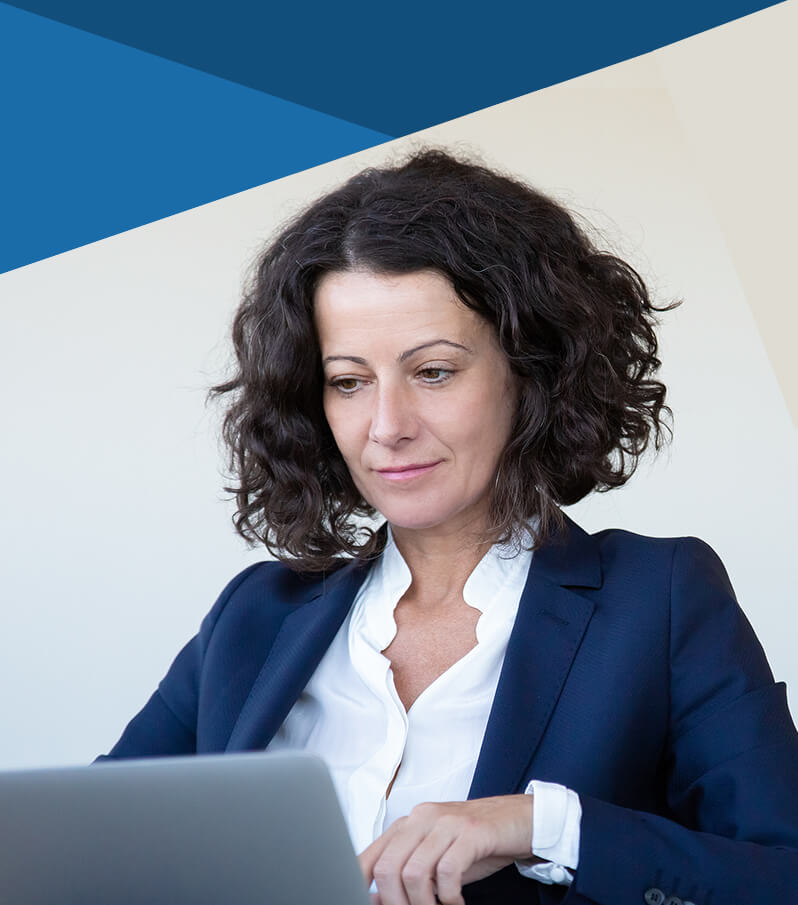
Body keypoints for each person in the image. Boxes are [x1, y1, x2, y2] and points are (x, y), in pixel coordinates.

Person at [99, 149, 798, 905]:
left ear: (532, 372)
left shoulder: (659, 600)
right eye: (348, 382)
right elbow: (88, 847)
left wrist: (542, 825)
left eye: (433, 371)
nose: (386, 426)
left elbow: (781, 874)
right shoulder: (254, 615)